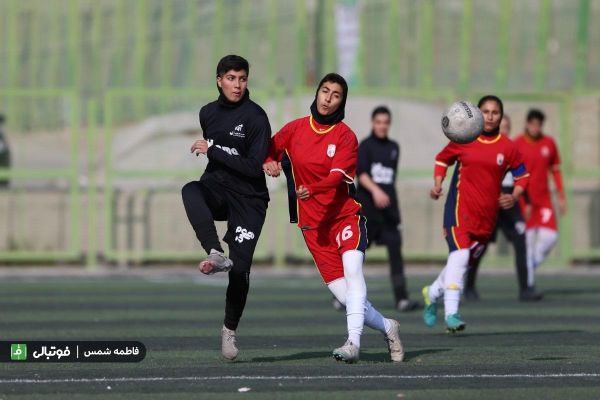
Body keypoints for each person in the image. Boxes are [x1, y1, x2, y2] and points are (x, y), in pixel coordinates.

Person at [263, 73, 404, 363]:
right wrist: (269, 161)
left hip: (344, 216)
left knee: (354, 273)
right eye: (324, 91)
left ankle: (353, 343)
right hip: (313, 226)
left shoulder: (345, 137)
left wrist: (310, 189)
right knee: (346, 297)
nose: (327, 98)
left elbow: (335, 179)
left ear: (342, 101)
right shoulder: (295, 129)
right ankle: (389, 326)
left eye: (335, 94)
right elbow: (268, 149)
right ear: (316, 93)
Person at [181, 55, 271, 361]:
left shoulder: (256, 117)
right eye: (231, 78)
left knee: (241, 270)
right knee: (191, 190)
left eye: (242, 78)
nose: (237, 84)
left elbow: (250, 167)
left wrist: (214, 149)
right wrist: (215, 153)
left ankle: (229, 330)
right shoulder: (208, 113)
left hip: (249, 198)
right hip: (219, 188)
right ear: (219, 80)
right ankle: (214, 252)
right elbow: (217, 159)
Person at [422, 95, 530, 333]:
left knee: (460, 264)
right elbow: (442, 160)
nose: (490, 116)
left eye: (495, 112)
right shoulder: (464, 137)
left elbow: (523, 175)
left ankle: (431, 293)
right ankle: (451, 314)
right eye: (486, 111)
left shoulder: (508, 147)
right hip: (459, 211)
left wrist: (515, 195)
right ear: (478, 113)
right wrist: (438, 184)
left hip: (486, 217)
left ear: (501, 116)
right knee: (459, 257)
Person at [464, 115, 542, 301]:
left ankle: (525, 289)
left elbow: (521, 177)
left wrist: (527, 200)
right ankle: (468, 287)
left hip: (510, 205)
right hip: (489, 207)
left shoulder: (513, 150)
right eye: (501, 126)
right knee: (478, 248)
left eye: (507, 126)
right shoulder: (484, 149)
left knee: (521, 241)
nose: (504, 129)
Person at [354, 106, 419, 311]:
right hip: (368, 211)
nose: (382, 126)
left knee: (395, 252)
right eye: (378, 122)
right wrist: (376, 191)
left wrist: (386, 196)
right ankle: (344, 295)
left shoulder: (394, 147)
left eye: (386, 122)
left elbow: (389, 180)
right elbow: (361, 174)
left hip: (389, 212)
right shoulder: (365, 146)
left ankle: (402, 299)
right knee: (357, 254)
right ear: (373, 123)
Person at [514, 109, 565, 292]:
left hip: (544, 200)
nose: (535, 128)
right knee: (526, 243)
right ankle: (528, 283)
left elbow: (556, 170)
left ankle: (527, 267)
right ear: (527, 124)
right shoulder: (517, 144)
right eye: (532, 124)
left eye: (538, 124)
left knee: (551, 236)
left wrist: (561, 196)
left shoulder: (549, 143)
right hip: (524, 201)